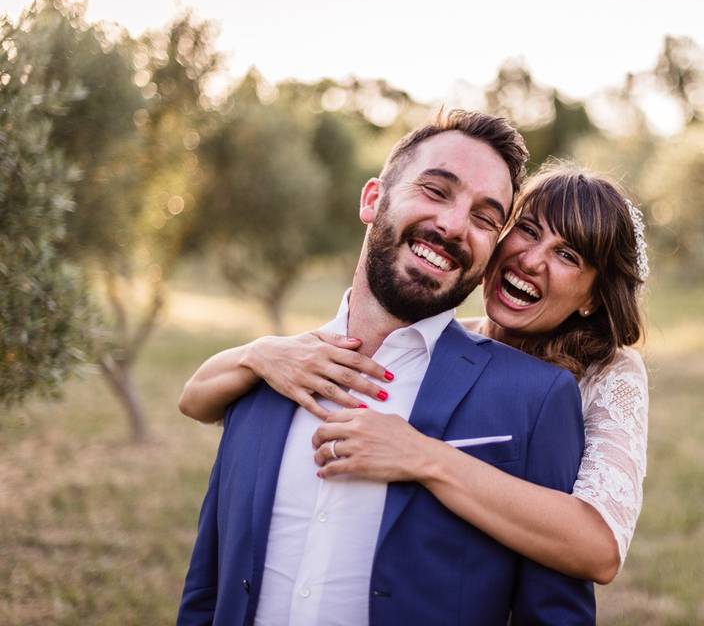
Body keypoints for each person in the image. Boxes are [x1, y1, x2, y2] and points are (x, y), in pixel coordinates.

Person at [177, 110, 596, 626]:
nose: (453, 225)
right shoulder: (263, 377)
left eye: (486, 218)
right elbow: (207, 588)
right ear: (373, 199)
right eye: (437, 191)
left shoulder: (534, 397)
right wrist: (257, 355)